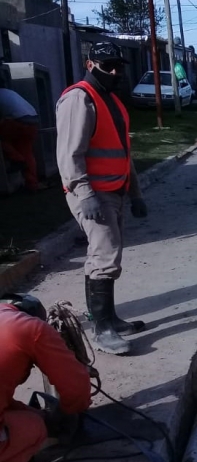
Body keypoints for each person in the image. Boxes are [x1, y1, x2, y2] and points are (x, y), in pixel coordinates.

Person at [56, 41, 148, 356]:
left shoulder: (111, 101)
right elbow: (70, 155)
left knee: (101, 256)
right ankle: (103, 330)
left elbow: (124, 154)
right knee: (106, 257)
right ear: (90, 64)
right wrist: (85, 194)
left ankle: (107, 317)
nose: (114, 71)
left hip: (115, 191)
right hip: (93, 195)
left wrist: (135, 193)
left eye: (118, 66)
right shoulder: (79, 99)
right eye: (107, 65)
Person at [0, 294, 92, 462]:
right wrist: (65, 413)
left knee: (33, 416)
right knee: (34, 428)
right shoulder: (31, 328)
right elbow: (76, 388)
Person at [0, 80, 43, 192]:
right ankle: (32, 184)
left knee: (2, 140)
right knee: (27, 152)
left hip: (18, 122)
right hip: (33, 122)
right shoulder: (10, 92)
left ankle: (17, 159)